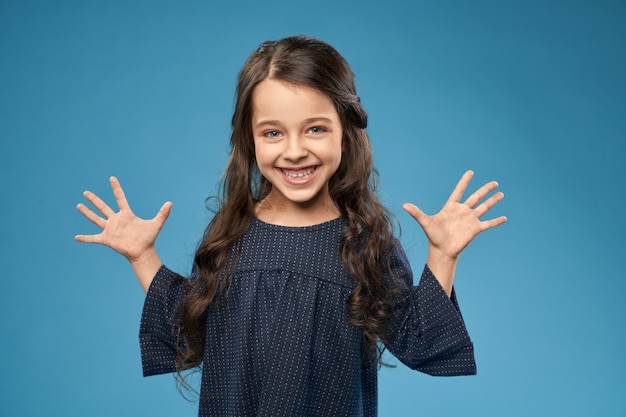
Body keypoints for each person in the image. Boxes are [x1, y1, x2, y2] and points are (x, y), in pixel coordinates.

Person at [75, 35, 506, 417]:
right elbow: (191, 332)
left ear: (345, 132)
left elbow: (420, 342)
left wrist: (444, 254)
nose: (295, 151)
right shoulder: (230, 236)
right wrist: (142, 256)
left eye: (315, 128)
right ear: (250, 138)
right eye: (273, 133)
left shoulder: (365, 246)